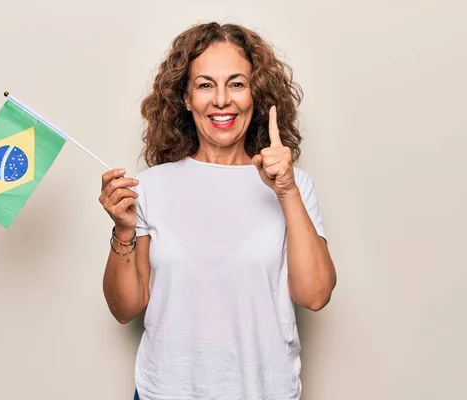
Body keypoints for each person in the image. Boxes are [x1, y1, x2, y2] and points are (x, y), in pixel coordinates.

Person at [98, 22, 337, 400]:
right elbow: (125, 308)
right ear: (186, 98)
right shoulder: (152, 187)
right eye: (205, 84)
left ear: (254, 95)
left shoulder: (293, 185)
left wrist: (286, 190)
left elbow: (315, 295)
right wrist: (123, 230)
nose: (222, 99)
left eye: (237, 83)